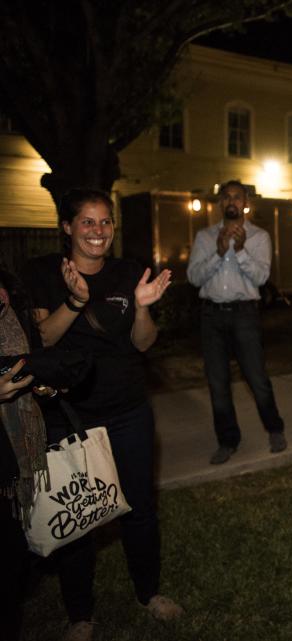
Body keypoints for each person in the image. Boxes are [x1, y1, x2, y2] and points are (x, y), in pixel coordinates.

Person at [24, 189, 181, 640]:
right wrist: (74, 301)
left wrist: (144, 307)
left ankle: (148, 592)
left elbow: (143, 343)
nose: (98, 231)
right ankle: (80, 615)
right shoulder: (43, 273)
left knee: (140, 505)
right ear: (68, 227)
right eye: (87, 222)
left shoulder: (129, 272)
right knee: (78, 516)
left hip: (128, 407)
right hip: (70, 412)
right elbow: (43, 341)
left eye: (105, 222)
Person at [187, 180, 286, 465]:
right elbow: (194, 278)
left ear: (245, 203)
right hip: (211, 316)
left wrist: (240, 251)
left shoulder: (259, 237)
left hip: (244, 315)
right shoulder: (205, 237)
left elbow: (261, 278)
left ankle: (275, 429)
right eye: (226, 197)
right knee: (218, 383)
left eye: (237, 197)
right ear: (220, 203)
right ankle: (228, 440)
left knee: (257, 378)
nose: (231, 201)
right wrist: (219, 253)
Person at [0, 264, 45, 641]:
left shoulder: (10, 314)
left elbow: (24, 358)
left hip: (8, 456)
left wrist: (40, 383)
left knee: (13, 560)